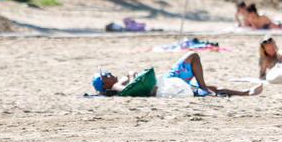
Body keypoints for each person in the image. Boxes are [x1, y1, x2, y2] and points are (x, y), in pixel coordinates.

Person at [92, 53, 262, 97]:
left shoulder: (113, 84)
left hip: (169, 81)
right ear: (105, 84)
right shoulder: (114, 86)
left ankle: (245, 93)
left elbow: (127, 83)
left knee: (211, 88)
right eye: (105, 75)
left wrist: (130, 75)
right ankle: (245, 93)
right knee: (193, 56)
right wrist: (131, 76)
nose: (109, 73)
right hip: (169, 83)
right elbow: (126, 89)